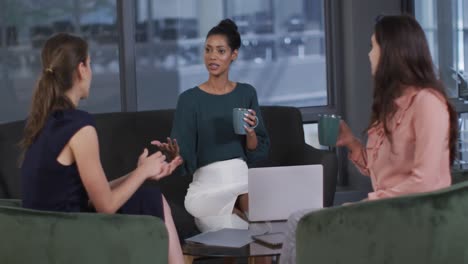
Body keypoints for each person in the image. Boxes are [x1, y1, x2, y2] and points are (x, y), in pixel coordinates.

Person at [279, 14, 458, 264]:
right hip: (385, 213)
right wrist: (351, 142)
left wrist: (367, 205)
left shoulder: (427, 103)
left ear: (392, 53)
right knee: (300, 222)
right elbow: (380, 172)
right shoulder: (391, 106)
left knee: (301, 222)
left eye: (373, 46)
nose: (369, 54)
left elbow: (425, 181)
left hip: (413, 221)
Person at [20, 33, 185, 264]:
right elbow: (105, 206)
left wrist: (141, 173)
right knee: (151, 199)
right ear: (81, 69)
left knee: (146, 194)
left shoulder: (42, 122)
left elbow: (88, 196)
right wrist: (142, 172)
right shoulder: (79, 126)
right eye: (90, 63)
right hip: (69, 237)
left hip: (47, 233)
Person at [156, 19, 270, 233]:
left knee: (259, 230)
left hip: (242, 181)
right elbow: (184, 158)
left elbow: (256, 153)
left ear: (233, 54)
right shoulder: (189, 100)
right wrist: (174, 154)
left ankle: (254, 226)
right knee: (254, 232)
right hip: (208, 189)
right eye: (208, 50)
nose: (212, 56)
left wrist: (251, 132)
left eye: (220, 50)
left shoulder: (246, 93)